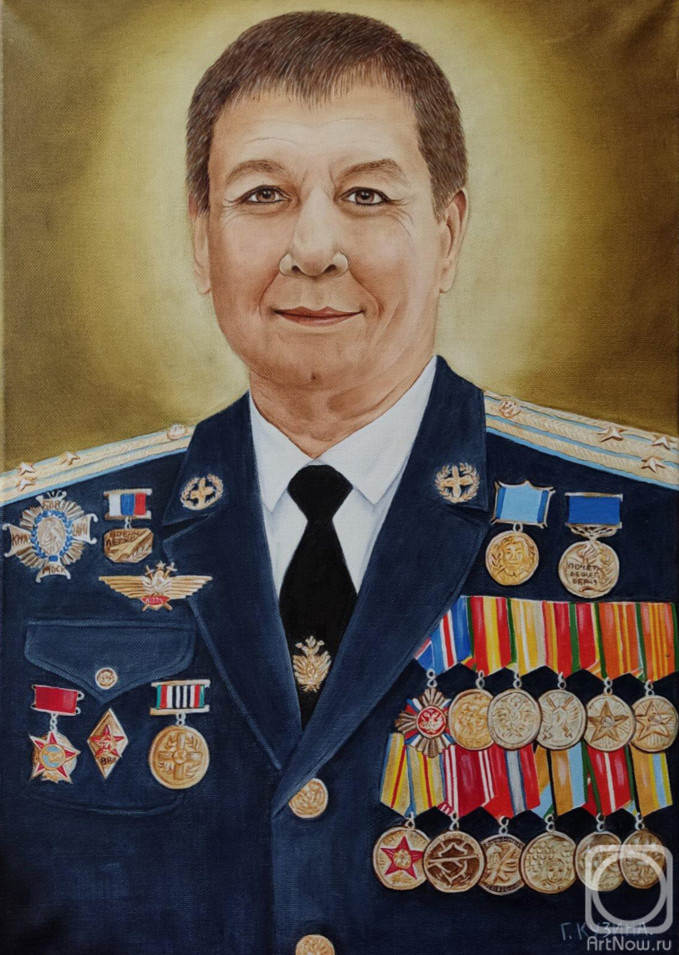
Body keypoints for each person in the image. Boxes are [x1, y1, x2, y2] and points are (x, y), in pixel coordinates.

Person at [1, 11, 677, 955]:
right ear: (201, 240)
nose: (314, 246)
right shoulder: (33, 547)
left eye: (365, 195)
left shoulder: (653, 526)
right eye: (263, 194)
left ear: (447, 234)